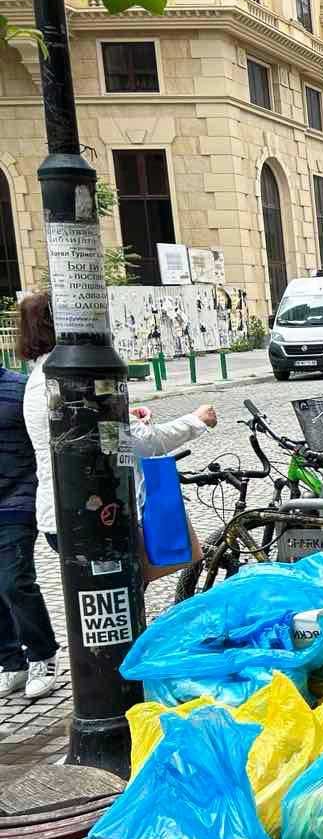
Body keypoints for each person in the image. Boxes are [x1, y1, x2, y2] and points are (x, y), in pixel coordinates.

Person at [20, 292, 216, 698]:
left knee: (118, 595)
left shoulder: (43, 377)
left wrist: (124, 416)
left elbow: (107, 433)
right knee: (121, 598)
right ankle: (119, 685)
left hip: (63, 515)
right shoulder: (73, 378)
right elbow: (139, 441)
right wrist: (196, 421)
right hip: (95, 516)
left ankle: (118, 678)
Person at [1, 362, 56, 701]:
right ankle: (11, 661)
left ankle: (42, 655)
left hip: (17, 498)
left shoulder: (20, 387)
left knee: (13, 580)